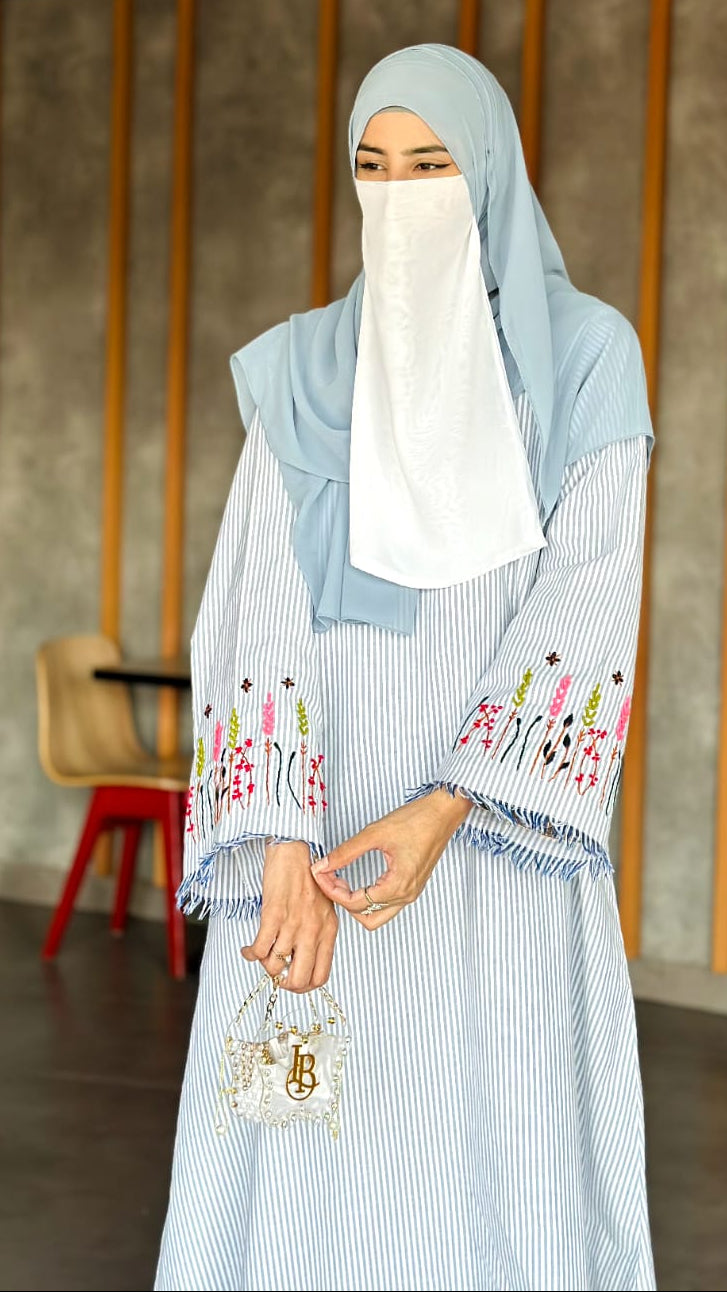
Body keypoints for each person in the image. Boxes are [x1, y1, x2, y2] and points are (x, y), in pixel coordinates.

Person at [155, 43, 655, 1292]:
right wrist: (277, 836)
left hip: (490, 844)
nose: (402, 193)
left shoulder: (587, 361)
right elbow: (257, 598)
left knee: (494, 1136)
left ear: (485, 171)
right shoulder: (306, 366)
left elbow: (588, 594)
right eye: (374, 168)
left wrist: (448, 806)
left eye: (431, 164)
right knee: (313, 1151)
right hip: (318, 839)